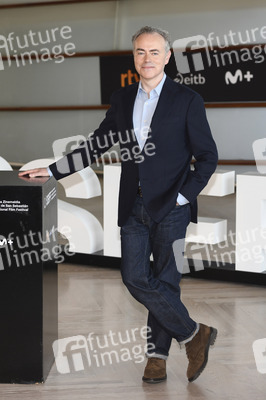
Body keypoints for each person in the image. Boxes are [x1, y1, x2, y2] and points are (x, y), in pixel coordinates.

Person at [19, 26, 218, 384]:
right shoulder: (123, 98)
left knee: (166, 281)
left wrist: (183, 196)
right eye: (141, 52)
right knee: (134, 277)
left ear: (168, 56)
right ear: (134, 56)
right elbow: (95, 146)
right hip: (133, 206)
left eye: (155, 52)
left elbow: (207, 157)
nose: (148, 59)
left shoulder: (188, 100)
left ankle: (156, 358)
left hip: (172, 207)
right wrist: (51, 169)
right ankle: (194, 333)